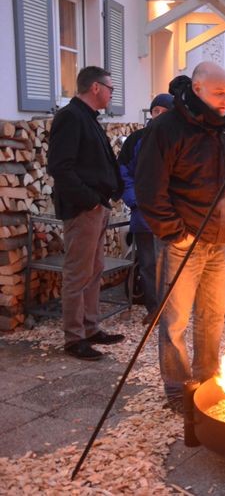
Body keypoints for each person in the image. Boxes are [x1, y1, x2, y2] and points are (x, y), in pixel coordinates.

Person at [136, 62, 225, 413]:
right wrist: (174, 233)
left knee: (213, 317)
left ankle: (208, 379)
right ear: (197, 89)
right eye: (218, 93)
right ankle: (178, 388)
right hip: (183, 241)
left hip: (220, 238)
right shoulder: (167, 128)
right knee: (175, 320)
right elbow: (150, 188)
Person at [47, 66, 125, 361]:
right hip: (84, 209)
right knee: (78, 274)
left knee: (94, 271)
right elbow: (60, 167)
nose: (111, 93)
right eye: (110, 88)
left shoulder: (87, 118)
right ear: (95, 87)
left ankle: (91, 328)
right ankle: (74, 338)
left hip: (97, 207)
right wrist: (90, 201)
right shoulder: (70, 117)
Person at [117, 93, 174, 324]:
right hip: (144, 215)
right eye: (156, 110)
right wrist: (135, 201)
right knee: (148, 264)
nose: (159, 115)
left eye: (164, 111)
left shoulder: (179, 139)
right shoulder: (136, 140)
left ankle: (172, 308)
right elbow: (123, 173)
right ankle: (154, 308)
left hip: (172, 216)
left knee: (171, 264)